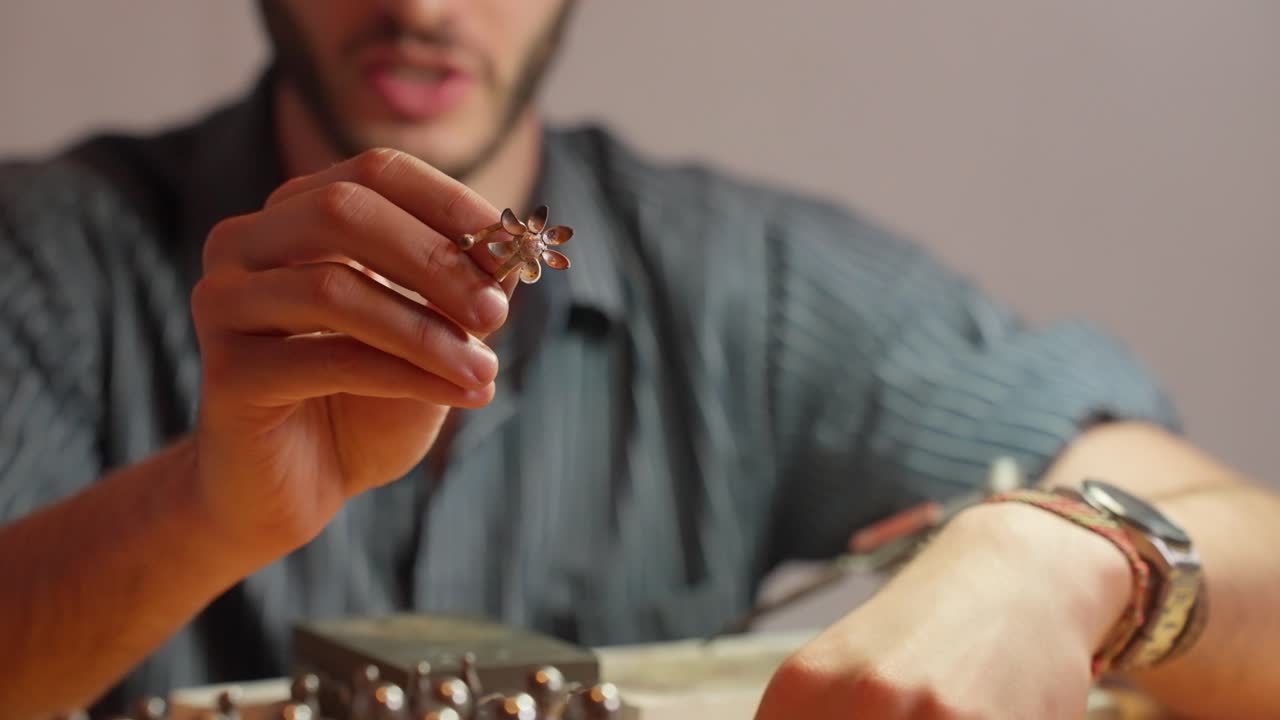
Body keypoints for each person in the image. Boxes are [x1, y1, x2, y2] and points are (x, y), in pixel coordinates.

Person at [0, 1, 1275, 718]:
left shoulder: (762, 291)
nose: (423, 7)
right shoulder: (44, 262)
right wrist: (204, 510)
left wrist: (1060, 557)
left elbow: (1241, 551)